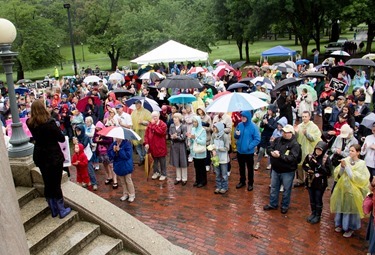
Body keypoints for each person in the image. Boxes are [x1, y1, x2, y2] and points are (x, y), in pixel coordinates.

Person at [26, 99, 71, 218]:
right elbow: (61, 138)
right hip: (53, 156)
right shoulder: (50, 123)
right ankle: (61, 209)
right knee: (55, 183)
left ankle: (53, 208)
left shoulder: (29, 123)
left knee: (47, 181)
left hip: (40, 155)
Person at [330, 144, 370, 238]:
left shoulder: (361, 164)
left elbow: (356, 178)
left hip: (353, 191)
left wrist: (347, 168)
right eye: (350, 151)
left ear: (358, 152)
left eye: (352, 151)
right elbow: (338, 175)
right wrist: (342, 167)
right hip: (342, 188)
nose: (350, 152)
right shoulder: (346, 160)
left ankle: (349, 227)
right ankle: (340, 224)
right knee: (341, 206)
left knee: (350, 209)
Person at [264, 124, 301, 214]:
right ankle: (273, 204)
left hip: (287, 171)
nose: (284, 134)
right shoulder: (278, 140)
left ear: (291, 133)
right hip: (276, 169)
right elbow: (269, 147)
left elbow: (293, 158)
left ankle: (284, 206)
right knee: (274, 188)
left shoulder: (295, 145)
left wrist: (280, 156)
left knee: (286, 190)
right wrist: (271, 152)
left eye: (287, 132)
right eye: (284, 132)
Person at [303, 141, 330, 224]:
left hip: (320, 182)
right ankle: (313, 212)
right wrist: (308, 170)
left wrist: (318, 165)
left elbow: (328, 172)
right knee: (312, 198)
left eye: (320, 150)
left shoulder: (326, 158)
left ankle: (318, 215)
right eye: (317, 149)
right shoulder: (310, 156)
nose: (318, 151)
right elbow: (304, 165)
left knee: (318, 198)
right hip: (311, 180)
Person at [234, 111, 261, 191]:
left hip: (249, 152)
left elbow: (257, 139)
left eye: (244, 117)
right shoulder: (239, 125)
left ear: (248, 117)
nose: (242, 118)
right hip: (240, 151)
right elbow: (236, 136)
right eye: (241, 116)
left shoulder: (253, 127)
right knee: (241, 168)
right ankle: (242, 181)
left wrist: (250, 146)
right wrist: (237, 135)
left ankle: (250, 183)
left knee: (250, 168)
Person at [294, 111, 322, 187]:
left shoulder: (314, 127)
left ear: (309, 117)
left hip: (310, 149)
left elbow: (314, 138)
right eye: (303, 116)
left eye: (306, 116)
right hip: (301, 149)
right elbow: (295, 138)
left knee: (308, 165)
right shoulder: (299, 126)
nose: (304, 118)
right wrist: (295, 132)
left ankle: (308, 180)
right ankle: (300, 180)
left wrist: (306, 134)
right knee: (299, 165)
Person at [108, 138, 135, 202]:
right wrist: (114, 151)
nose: (117, 138)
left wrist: (120, 150)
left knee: (128, 180)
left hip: (126, 165)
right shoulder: (114, 144)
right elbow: (110, 155)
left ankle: (132, 194)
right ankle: (125, 193)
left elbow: (127, 156)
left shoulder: (127, 144)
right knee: (122, 181)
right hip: (118, 165)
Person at [145, 111, 168, 181]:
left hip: (160, 146)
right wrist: (146, 143)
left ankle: (164, 174)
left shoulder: (163, 124)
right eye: (153, 116)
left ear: (158, 116)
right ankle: (156, 172)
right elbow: (146, 135)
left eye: (155, 116)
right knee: (154, 161)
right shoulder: (149, 125)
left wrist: (154, 125)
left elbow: (161, 132)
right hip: (152, 146)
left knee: (162, 161)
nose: (154, 118)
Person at [254, 105, 278, 170]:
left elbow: (274, 128)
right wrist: (263, 123)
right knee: (261, 150)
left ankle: (270, 163)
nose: (268, 111)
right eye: (268, 110)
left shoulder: (275, 118)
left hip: (271, 136)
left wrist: (267, 124)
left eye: (270, 110)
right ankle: (258, 163)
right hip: (264, 134)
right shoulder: (265, 116)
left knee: (270, 150)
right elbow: (261, 126)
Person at [210, 122, 230, 194]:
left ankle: (224, 187)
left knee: (224, 174)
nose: (214, 129)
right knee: (217, 173)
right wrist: (212, 149)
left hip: (223, 158)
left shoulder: (225, 136)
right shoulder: (213, 135)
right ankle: (218, 186)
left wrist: (218, 148)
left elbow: (227, 148)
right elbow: (211, 144)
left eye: (215, 127)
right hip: (216, 158)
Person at [169, 113, 188, 185]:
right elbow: (170, 134)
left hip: (181, 145)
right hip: (174, 145)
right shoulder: (172, 126)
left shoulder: (183, 126)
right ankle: (178, 177)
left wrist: (177, 137)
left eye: (176, 118)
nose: (174, 119)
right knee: (176, 161)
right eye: (174, 118)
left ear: (179, 119)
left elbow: (184, 137)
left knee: (183, 161)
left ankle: (184, 178)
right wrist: (172, 137)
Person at [131, 100, 151, 166]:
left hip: (144, 131)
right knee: (137, 145)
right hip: (135, 131)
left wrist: (143, 122)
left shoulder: (146, 112)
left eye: (137, 104)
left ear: (140, 104)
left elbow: (150, 122)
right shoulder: (133, 112)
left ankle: (145, 157)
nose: (136, 105)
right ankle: (141, 158)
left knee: (144, 145)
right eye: (135, 104)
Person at [188, 116, 207, 188]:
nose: (194, 123)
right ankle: (197, 180)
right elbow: (192, 140)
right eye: (193, 122)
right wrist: (190, 138)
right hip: (194, 151)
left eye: (195, 122)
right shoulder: (193, 129)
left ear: (199, 122)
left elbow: (203, 142)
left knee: (201, 167)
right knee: (196, 166)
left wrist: (195, 138)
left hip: (201, 152)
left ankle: (203, 181)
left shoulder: (203, 130)